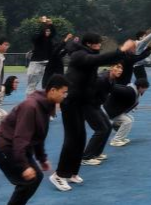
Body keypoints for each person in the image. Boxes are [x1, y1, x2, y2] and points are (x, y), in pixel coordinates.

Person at [0, 74, 67, 205]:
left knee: (35, 177)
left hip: (16, 147)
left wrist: (42, 159)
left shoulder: (46, 105)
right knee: (28, 180)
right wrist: (24, 165)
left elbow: (39, 136)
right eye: (63, 92)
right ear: (52, 90)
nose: (65, 96)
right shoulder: (31, 107)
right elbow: (20, 138)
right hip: (4, 148)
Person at [52, 32, 122, 189]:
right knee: (71, 139)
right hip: (70, 102)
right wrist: (121, 51)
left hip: (81, 102)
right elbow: (99, 59)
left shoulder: (88, 54)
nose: (100, 45)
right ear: (89, 44)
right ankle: (59, 175)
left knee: (80, 138)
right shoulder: (80, 55)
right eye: (98, 43)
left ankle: (72, 173)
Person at [83, 62, 127, 165]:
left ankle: (96, 153)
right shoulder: (101, 79)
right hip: (88, 106)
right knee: (101, 130)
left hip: (96, 106)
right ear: (111, 67)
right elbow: (88, 94)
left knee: (108, 127)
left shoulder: (112, 79)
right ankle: (86, 157)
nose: (120, 70)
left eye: (121, 68)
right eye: (118, 67)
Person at [25, 17, 56, 92]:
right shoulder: (37, 38)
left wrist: (51, 24)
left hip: (45, 63)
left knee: (45, 84)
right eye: (46, 31)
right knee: (31, 85)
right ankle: (30, 98)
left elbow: (53, 33)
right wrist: (44, 23)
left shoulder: (48, 39)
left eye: (49, 31)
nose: (47, 32)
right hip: (36, 63)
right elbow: (41, 33)